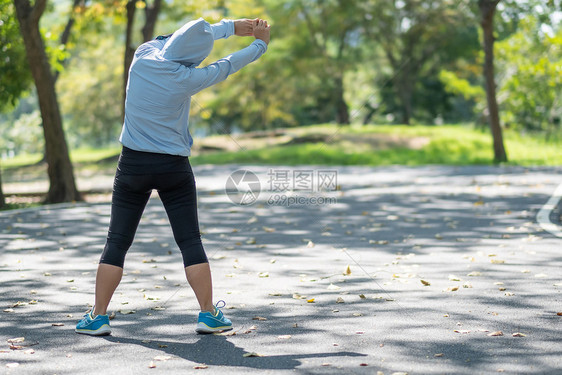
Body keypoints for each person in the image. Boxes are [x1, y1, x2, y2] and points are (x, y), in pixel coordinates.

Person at [75, 17, 270, 336]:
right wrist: (258, 44)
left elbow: (171, 38)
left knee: (117, 241)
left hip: (132, 167)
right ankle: (208, 314)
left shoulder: (143, 55)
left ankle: (98, 316)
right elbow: (228, 64)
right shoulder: (188, 77)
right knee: (190, 240)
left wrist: (230, 26)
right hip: (174, 168)